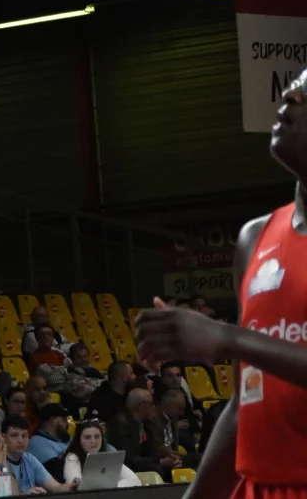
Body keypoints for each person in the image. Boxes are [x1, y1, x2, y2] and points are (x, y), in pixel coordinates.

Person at [134, 69, 307, 499]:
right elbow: (243, 404)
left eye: (306, 94)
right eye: (291, 89)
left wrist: (228, 338)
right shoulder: (255, 238)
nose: (290, 96)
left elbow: (236, 344)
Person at [61, 419, 140, 488]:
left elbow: (134, 480)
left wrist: (111, 488)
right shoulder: (72, 457)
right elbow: (75, 486)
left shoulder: (108, 456)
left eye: (97, 436)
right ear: (79, 440)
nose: (93, 441)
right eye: (87, 437)